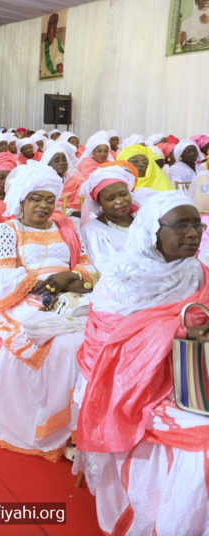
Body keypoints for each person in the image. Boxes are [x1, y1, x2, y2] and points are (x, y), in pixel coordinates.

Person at [76, 192, 209, 535]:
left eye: (196, 224)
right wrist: (178, 330)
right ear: (153, 230)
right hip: (135, 381)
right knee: (203, 437)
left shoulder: (196, 270)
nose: (193, 233)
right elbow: (105, 345)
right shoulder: (125, 274)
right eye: (181, 226)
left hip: (192, 366)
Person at [0, 163, 94, 461]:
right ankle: (56, 429)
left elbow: (87, 263)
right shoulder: (6, 231)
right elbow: (3, 276)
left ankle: (84, 426)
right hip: (24, 300)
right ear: (22, 199)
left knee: (104, 335)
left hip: (72, 295)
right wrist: (45, 284)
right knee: (68, 345)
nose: (44, 205)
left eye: (49, 199)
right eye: (36, 198)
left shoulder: (67, 228)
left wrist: (70, 278)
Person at [80, 166, 140, 271]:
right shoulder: (94, 231)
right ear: (99, 203)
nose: (119, 201)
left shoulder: (141, 219)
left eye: (123, 194)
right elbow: (107, 269)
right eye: (110, 199)